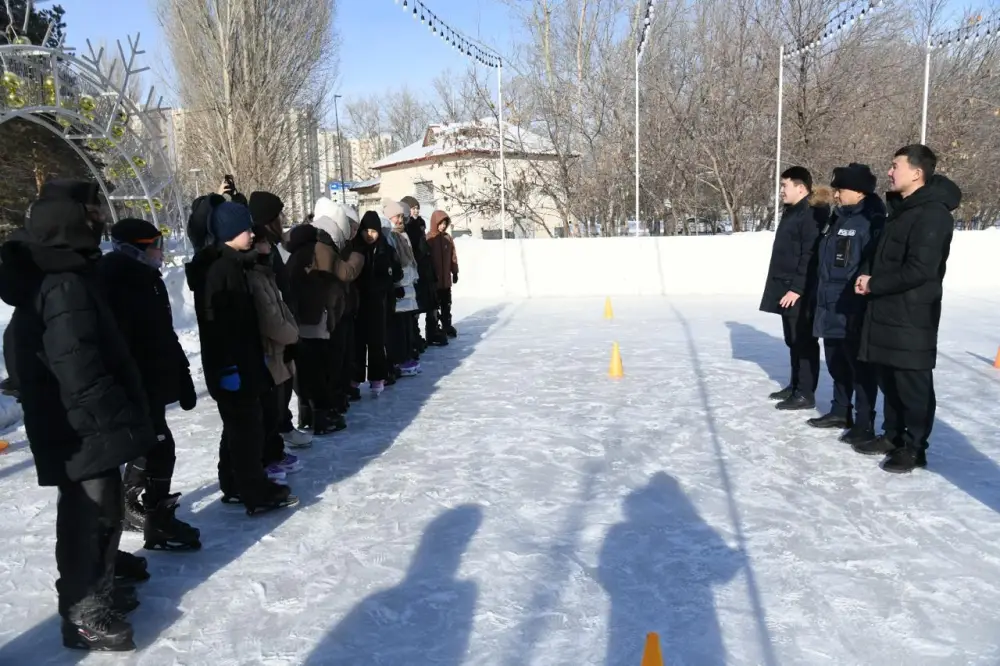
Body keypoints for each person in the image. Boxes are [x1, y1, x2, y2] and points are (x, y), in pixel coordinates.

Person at [0, 195, 156, 651]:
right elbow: (77, 362)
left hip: (75, 418)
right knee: (88, 515)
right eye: (91, 218)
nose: (100, 223)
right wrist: (115, 414)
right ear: (69, 226)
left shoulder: (66, 274)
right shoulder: (61, 283)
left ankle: (97, 588)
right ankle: (82, 612)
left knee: (102, 509)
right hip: (76, 420)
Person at [853, 145, 961, 473]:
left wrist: (874, 283)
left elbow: (920, 270)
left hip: (912, 315)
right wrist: (866, 276)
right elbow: (883, 256)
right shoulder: (901, 210)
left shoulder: (933, 214)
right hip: (885, 311)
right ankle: (893, 436)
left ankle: (915, 448)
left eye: (895, 165)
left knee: (912, 385)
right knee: (889, 379)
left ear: (916, 173)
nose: (889, 172)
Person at [185, 201, 297, 513]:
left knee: (238, 427)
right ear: (229, 233)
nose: (251, 234)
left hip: (244, 360)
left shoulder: (233, 264)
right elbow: (216, 324)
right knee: (246, 430)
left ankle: (234, 483)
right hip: (233, 365)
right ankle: (255, 492)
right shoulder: (220, 270)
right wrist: (228, 367)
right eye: (245, 229)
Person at [96, 219, 201, 551]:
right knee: (158, 447)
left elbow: (164, 334)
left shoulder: (149, 279)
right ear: (135, 249)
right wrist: (130, 390)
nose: (161, 252)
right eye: (155, 245)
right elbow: (120, 346)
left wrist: (182, 374)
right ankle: (155, 519)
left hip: (152, 383)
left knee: (153, 445)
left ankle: (136, 507)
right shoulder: (115, 281)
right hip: (135, 386)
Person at [808, 165, 885, 442]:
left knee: (859, 368)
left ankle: (865, 421)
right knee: (836, 362)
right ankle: (840, 410)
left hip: (853, 307)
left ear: (859, 191)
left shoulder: (872, 221)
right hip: (829, 304)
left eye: (840, 189)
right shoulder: (837, 218)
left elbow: (870, 266)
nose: (836, 195)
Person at [760, 166, 827, 410]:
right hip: (786, 286)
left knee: (803, 341)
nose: (781, 191)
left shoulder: (811, 213)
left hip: (800, 290)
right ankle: (795, 384)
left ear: (800, 188)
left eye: (784, 185)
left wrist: (797, 289)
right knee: (792, 339)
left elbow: (810, 255)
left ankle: (805, 393)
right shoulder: (793, 211)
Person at [248, 191, 311, 448]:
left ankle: (283, 427)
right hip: (273, 332)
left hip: (285, 322)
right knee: (276, 388)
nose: (282, 220)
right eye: (278, 215)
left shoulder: (272, 246)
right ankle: (276, 435)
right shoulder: (261, 249)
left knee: (284, 381)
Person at [247, 227, 302, 481]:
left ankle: (275, 451)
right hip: (270, 350)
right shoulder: (254, 277)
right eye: (263, 242)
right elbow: (269, 319)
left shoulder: (265, 273)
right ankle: (267, 457)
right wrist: (291, 336)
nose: (269, 246)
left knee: (279, 405)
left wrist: (293, 333)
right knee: (270, 409)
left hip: (281, 347)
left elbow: (281, 307)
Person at [353, 210, 401, 397]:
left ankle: (377, 378)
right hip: (358, 303)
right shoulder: (356, 248)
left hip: (379, 303)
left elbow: (396, 271)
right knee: (357, 343)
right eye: (366, 231)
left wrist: (388, 283)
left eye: (373, 231)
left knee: (377, 342)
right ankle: (354, 380)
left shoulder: (385, 249)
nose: (369, 235)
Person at [400, 196, 445, 347]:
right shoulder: (407, 226)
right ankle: (414, 335)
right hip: (416, 268)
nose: (416, 211)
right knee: (416, 305)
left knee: (432, 303)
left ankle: (432, 331)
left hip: (426, 268)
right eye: (413, 208)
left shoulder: (420, 223)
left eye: (417, 208)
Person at [427, 210, 459, 338]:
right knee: (434, 306)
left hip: (445, 281)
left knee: (446, 304)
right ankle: (433, 329)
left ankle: (447, 325)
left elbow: (453, 256)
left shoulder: (448, 238)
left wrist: (455, 272)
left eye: (445, 224)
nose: (443, 226)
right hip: (434, 281)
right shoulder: (429, 238)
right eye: (440, 223)